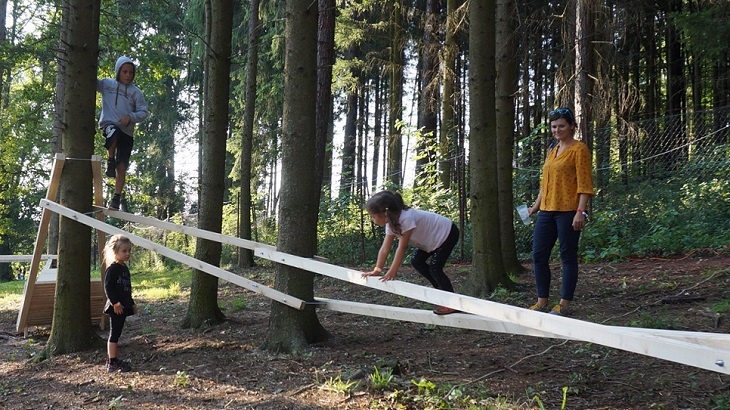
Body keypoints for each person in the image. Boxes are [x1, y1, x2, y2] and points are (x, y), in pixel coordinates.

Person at [527, 107, 594, 316]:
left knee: (567, 256)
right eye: (554, 126)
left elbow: (585, 184)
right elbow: (545, 183)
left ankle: (564, 303)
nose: (557, 130)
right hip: (546, 211)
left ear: (572, 126)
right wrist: (535, 207)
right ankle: (542, 301)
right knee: (538, 255)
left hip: (568, 211)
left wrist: (580, 212)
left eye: (562, 125)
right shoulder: (552, 150)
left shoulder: (579, 149)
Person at [362, 191, 460, 315]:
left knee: (435, 268)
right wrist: (377, 269)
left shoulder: (406, 218)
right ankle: (441, 292)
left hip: (447, 233)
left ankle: (451, 302)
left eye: (373, 216)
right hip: (432, 239)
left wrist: (392, 271)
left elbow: (401, 248)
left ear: (384, 214)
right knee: (417, 261)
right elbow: (385, 248)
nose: (372, 219)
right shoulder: (391, 222)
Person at [97, 56, 149, 211]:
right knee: (112, 132)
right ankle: (110, 160)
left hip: (127, 132)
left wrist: (130, 117)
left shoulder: (136, 92)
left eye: (131, 72)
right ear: (118, 71)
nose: (128, 75)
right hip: (109, 124)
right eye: (124, 71)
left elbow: (143, 112)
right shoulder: (107, 84)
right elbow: (90, 81)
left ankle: (116, 199)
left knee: (122, 167)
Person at [103, 234, 138, 373]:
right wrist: (115, 303)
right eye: (124, 251)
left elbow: (127, 289)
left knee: (118, 333)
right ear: (115, 252)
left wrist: (132, 304)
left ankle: (113, 359)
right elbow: (108, 287)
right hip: (115, 308)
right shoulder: (112, 269)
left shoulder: (124, 269)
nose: (128, 253)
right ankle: (111, 362)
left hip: (123, 306)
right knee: (114, 334)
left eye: (129, 250)